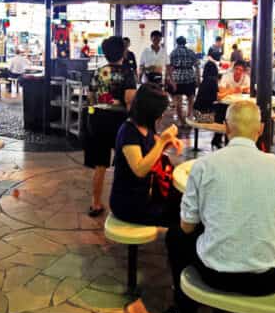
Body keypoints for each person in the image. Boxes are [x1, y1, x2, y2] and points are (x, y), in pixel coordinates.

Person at [165, 99, 275, 313]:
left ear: (226, 128)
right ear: (259, 130)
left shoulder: (204, 166)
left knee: (175, 237)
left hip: (213, 275)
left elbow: (187, 226)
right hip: (264, 280)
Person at [109, 84, 185, 227]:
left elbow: (152, 153)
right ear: (148, 111)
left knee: (185, 203)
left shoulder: (145, 126)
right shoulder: (129, 131)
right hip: (129, 204)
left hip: (147, 194)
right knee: (182, 215)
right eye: (160, 112)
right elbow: (140, 169)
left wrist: (168, 142)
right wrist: (162, 141)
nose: (162, 115)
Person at [84, 36, 138, 217]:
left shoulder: (98, 72)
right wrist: (133, 122)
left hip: (97, 120)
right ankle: (123, 202)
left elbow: (90, 97)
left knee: (100, 164)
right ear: (123, 52)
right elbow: (130, 100)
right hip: (119, 120)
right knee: (124, 162)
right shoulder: (127, 72)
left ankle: (96, 203)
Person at [213, 61, 251, 147]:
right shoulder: (227, 76)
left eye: (241, 70)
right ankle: (218, 138)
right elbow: (221, 89)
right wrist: (233, 90)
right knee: (222, 111)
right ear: (233, 69)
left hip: (240, 104)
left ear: (244, 71)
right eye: (236, 69)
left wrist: (239, 89)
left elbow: (248, 89)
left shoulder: (246, 78)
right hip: (226, 103)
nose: (238, 71)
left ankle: (237, 140)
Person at [168, 36, 200, 125]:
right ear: (185, 43)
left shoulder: (173, 53)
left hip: (177, 78)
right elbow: (197, 66)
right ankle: (189, 118)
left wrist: (171, 80)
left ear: (176, 43)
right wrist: (198, 78)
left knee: (178, 100)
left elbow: (170, 67)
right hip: (190, 77)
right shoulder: (191, 52)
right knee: (191, 99)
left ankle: (181, 121)